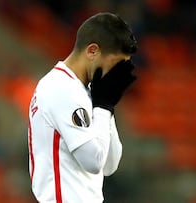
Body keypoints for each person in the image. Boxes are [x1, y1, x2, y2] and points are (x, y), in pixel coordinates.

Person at [27, 12, 138, 202]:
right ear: (92, 51)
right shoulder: (60, 88)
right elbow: (93, 162)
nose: (118, 74)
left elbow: (109, 165)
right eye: (116, 64)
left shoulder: (86, 91)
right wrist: (103, 106)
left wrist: (106, 107)